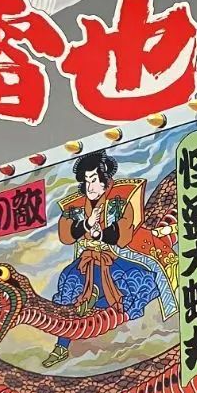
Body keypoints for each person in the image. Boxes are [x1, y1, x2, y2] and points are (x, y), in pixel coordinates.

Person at [41, 151, 177, 368]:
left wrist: (101, 234)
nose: (90, 186)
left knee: (141, 282)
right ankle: (61, 346)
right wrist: (86, 225)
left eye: (94, 180)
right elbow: (65, 235)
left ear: (105, 180)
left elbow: (125, 232)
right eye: (87, 181)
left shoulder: (119, 202)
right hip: (86, 260)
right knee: (67, 289)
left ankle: (97, 300)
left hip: (114, 257)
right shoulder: (76, 206)